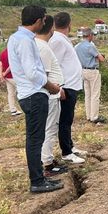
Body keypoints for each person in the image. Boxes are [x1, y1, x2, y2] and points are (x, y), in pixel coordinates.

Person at [7, 5, 63, 193]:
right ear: (38, 21)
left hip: (28, 94)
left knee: (34, 139)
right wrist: (51, 86)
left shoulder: (16, 38)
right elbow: (32, 73)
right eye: (44, 20)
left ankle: (38, 179)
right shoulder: (24, 41)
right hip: (34, 94)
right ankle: (37, 181)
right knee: (35, 140)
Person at [49, 12, 87, 164]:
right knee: (64, 120)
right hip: (66, 86)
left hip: (71, 85)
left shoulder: (61, 39)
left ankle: (70, 146)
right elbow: (54, 65)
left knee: (68, 119)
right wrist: (59, 87)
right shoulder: (57, 40)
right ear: (69, 24)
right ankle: (66, 152)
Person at [35, 15, 69, 176]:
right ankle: (47, 163)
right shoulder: (43, 48)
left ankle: (45, 159)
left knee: (47, 128)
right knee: (50, 128)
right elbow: (44, 76)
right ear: (50, 29)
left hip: (48, 94)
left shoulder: (36, 45)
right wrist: (56, 89)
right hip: (50, 95)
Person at [75, 28, 106, 124]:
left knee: (87, 94)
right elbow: (101, 59)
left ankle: (88, 115)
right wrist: (101, 55)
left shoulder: (77, 46)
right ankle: (94, 116)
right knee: (95, 94)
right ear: (90, 35)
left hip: (83, 70)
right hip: (92, 71)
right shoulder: (90, 46)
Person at [0, 48, 22, 116]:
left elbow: (0, 65)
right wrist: (4, 73)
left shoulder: (3, 52)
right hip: (13, 76)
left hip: (7, 78)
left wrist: (1, 75)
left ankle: (13, 110)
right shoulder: (13, 52)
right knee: (23, 90)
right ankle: (28, 108)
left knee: (11, 93)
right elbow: (12, 65)